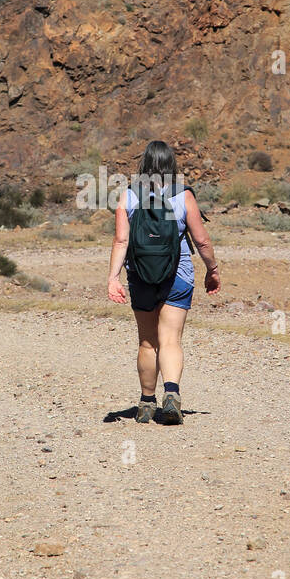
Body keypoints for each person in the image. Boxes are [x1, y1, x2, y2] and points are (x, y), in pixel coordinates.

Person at [107, 140, 221, 425]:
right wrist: (213, 269)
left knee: (147, 341)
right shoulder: (183, 196)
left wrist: (113, 278)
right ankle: (171, 394)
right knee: (170, 339)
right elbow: (202, 240)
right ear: (172, 164)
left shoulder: (129, 196)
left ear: (143, 163)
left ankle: (146, 403)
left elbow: (121, 240)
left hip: (140, 275)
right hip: (178, 274)